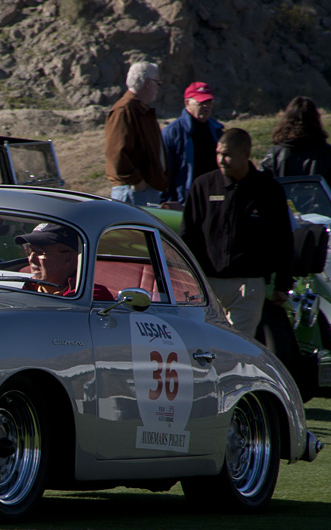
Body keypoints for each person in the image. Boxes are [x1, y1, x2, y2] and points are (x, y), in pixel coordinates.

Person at [181, 128, 293, 337]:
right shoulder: (203, 186)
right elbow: (188, 236)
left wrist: (283, 284)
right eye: (218, 153)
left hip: (248, 285)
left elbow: (283, 240)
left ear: (246, 155)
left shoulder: (268, 190)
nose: (221, 160)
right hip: (207, 282)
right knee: (201, 341)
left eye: (227, 154)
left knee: (237, 347)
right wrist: (186, 279)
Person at [104, 61, 168, 207]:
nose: (158, 88)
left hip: (142, 191)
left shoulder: (139, 110)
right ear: (147, 82)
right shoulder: (124, 110)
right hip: (133, 192)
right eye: (157, 83)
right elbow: (116, 153)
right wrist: (136, 180)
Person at [261, 95, 331, 200]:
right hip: (318, 213)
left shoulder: (274, 154)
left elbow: (263, 190)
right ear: (316, 120)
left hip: (283, 214)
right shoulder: (329, 153)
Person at [160, 81, 224, 207]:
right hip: (186, 202)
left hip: (214, 199)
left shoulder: (217, 131)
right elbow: (165, 174)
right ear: (187, 103)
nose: (206, 106)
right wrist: (168, 202)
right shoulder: (173, 133)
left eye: (209, 102)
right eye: (201, 102)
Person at [15, 223, 113, 299]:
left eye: (40, 251)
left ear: (68, 258)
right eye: (30, 251)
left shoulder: (92, 296)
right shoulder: (19, 288)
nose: (31, 259)